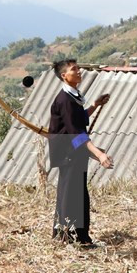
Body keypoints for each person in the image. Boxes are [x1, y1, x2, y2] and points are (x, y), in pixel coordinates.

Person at [49, 59, 113, 247]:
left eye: (78, 68)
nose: (79, 71)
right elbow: (77, 133)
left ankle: (76, 237)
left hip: (74, 152)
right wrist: (99, 154)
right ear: (64, 76)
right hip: (68, 153)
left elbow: (79, 119)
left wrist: (94, 105)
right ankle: (69, 238)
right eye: (74, 69)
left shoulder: (73, 96)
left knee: (75, 193)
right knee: (70, 194)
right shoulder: (65, 100)